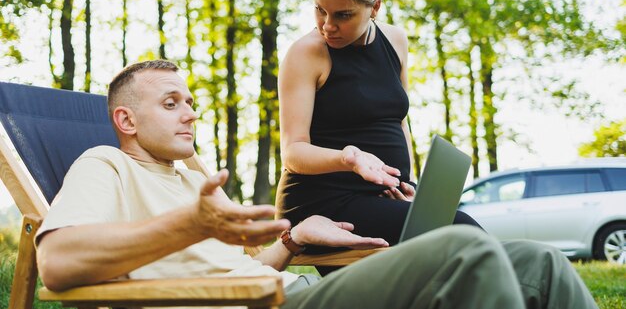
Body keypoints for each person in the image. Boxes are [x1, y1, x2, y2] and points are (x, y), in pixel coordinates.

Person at [35, 60, 599, 309]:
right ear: (126, 120)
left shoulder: (193, 177)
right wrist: (191, 224)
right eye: (170, 103)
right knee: (463, 250)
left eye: (190, 102)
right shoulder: (104, 164)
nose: (189, 114)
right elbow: (57, 265)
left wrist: (296, 239)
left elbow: (245, 274)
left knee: (538, 262)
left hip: (287, 294)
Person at [276, 0, 479, 254]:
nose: (327, 25)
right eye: (320, 10)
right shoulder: (306, 53)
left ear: (374, 7)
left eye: (343, 15)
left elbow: (398, 120)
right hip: (322, 206)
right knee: (463, 232)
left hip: (382, 200)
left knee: (457, 246)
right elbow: (293, 152)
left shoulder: (395, 40)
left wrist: (407, 187)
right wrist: (349, 158)